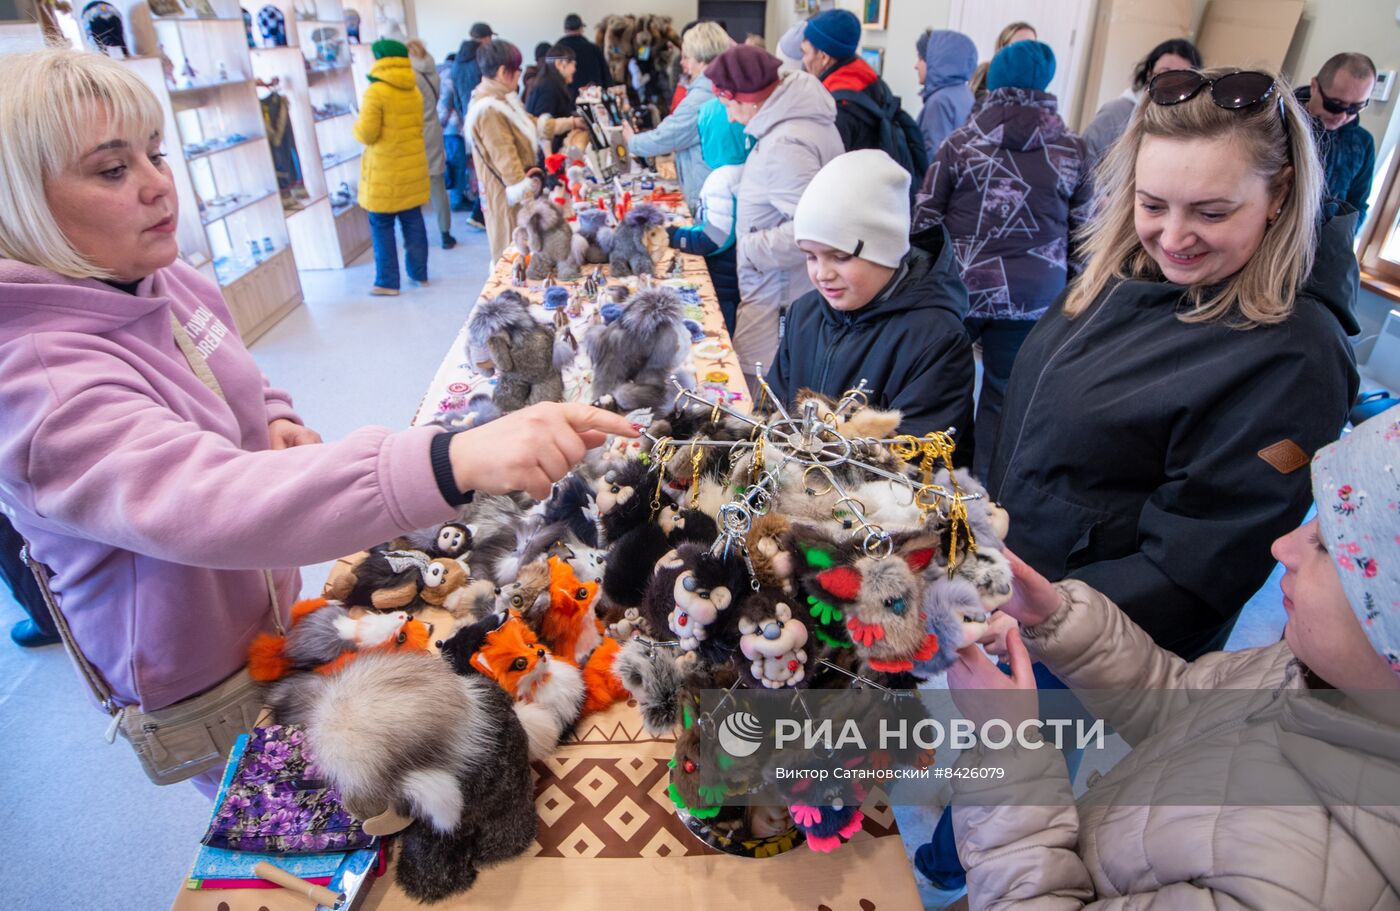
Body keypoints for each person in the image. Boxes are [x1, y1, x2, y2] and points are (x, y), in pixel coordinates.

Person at [0, 48, 636, 793]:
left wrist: (273, 418)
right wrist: (447, 460)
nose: (157, 185)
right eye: (113, 170)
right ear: (23, 201)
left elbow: (241, 376)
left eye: (155, 154)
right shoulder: (36, 383)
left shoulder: (162, 277)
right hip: (197, 670)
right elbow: (206, 499)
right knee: (287, 814)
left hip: (270, 596)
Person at [946, 407, 1400, 907]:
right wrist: (1057, 618)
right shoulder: (1307, 671)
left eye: (1328, 545)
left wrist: (1007, 745)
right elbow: (1185, 709)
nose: (1281, 546)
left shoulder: (1307, 888)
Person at [988, 67, 1360, 661]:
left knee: (1034, 753)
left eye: (1211, 213)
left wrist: (1044, 615)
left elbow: (1200, 561)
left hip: (1097, 633)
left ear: (1280, 195)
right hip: (1018, 582)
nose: (1174, 237)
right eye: (1152, 204)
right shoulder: (1123, 272)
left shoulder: (1295, 357)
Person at [913, 40, 1092, 481]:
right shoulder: (1073, 151)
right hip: (1034, 295)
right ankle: (985, 496)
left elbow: (924, 217)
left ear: (992, 81)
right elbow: (1087, 232)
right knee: (1003, 396)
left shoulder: (960, 144)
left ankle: (933, 479)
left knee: (941, 386)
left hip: (961, 288)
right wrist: (1073, 288)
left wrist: (928, 283)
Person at [767, 150, 975, 454]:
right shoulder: (804, 314)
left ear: (885, 250)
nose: (822, 273)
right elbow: (773, 407)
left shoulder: (937, 340)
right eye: (810, 256)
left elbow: (911, 457)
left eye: (840, 256)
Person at [705, 43, 844, 391]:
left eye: (727, 105)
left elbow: (814, 228)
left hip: (778, 296)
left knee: (760, 393)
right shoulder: (793, 124)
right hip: (782, 290)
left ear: (748, 99)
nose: (730, 117)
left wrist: (750, 247)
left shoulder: (786, 142)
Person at [466, 39, 582, 262]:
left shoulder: (501, 100)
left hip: (517, 193)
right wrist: (532, 206)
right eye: (517, 69)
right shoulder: (489, 108)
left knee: (522, 248)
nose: (520, 74)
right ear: (502, 71)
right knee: (513, 251)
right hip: (507, 198)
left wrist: (572, 123)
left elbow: (536, 124)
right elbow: (507, 163)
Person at [796, 8, 928, 183]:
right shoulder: (870, 80)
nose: (803, 61)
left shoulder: (837, 107)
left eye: (805, 53)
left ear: (824, 57)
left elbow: (829, 174)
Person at [624, 21, 733, 211]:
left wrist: (632, 141)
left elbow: (666, 137)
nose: (682, 63)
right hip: (723, 188)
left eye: (686, 57)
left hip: (708, 194)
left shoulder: (699, 99)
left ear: (701, 59)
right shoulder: (726, 87)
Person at [667, 97, 753, 334]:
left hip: (722, 281)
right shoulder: (750, 167)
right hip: (740, 276)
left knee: (720, 330)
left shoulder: (722, 179)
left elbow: (713, 238)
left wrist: (674, 236)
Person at [354, 39, 430, 296]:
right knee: (413, 220)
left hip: (384, 171)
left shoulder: (376, 92)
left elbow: (366, 133)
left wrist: (355, 122)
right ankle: (420, 274)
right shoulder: (413, 89)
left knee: (381, 224)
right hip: (412, 166)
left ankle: (387, 281)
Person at [1081, 38, 1201, 169]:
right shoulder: (1115, 113)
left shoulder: (1193, 125)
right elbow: (1085, 165)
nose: (1171, 81)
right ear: (1149, 74)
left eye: (1182, 76)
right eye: (1164, 72)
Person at [1297, 52, 1377, 228]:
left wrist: (1339, 240)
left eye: (1355, 108)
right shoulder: (1277, 122)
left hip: (1322, 248)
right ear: (1314, 87)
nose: (1342, 117)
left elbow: (1357, 205)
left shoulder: (1363, 143)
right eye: (1335, 104)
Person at [406, 39, 456, 250]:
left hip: (414, 131)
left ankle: (416, 237)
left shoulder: (409, 75)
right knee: (437, 183)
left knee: (412, 186)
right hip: (433, 128)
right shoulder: (432, 71)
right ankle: (445, 232)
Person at [448, 21, 494, 230]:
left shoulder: (457, 61)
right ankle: (481, 214)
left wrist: (464, 117)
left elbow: (456, 96)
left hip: (468, 120)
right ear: (485, 38)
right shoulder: (483, 59)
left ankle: (480, 213)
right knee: (491, 168)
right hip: (485, 118)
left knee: (481, 168)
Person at [914, 28, 977, 159]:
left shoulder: (940, 101)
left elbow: (932, 157)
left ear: (934, 62)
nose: (916, 65)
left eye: (920, 58)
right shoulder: (965, 93)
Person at [525, 43, 577, 155]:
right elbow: (543, 124)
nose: (574, 69)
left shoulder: (550, 83)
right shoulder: (548, 87)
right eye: (573, 64)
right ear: (559, 64)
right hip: (548, 157)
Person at [436, 53, 471, 213]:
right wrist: (441, 124)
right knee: (457, 163)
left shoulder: (440, 72)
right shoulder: (449, 74)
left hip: (449, 128)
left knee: (456, 163)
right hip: (452, 127)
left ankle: (458, 197)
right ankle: (457, 200)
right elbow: (446, 101)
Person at [968, 20, 1035, 100]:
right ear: (1002, 47)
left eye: (1032, 45)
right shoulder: (985, 72)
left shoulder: (1034, 80)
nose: (1026, 51)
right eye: (1019, 46)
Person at [557, 12, 611, 98]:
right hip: (593, 98)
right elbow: (606, 77)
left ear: (565, 29)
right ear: (581, 28)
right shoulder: (593, 49)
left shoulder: (557, 50)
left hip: (567, 99)